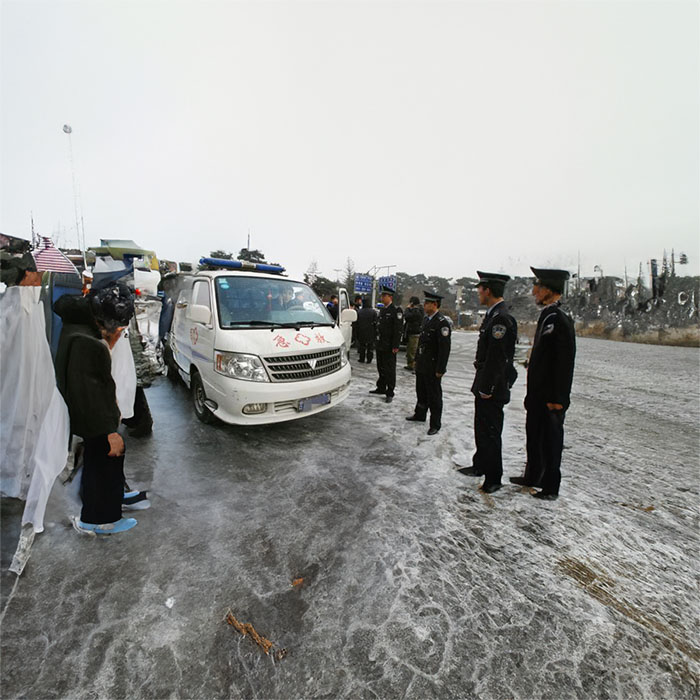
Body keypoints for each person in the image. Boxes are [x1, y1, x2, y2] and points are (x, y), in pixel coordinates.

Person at [54, 282, 139, 534]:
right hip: (96, 419)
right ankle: (100, 519)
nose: (119, 333)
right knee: (105, 461)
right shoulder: (90, 345)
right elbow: (92, 393)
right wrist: (109, 431)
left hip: (91, 415)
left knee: (100, 462)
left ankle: (106, 506)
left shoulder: (77, 325)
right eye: (119, 328)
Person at [510, 267, 575, 500]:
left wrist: (558, 399)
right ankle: (533, 476)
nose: (534, 292)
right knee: (535, 437)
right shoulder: (547, 315)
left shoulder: (559, 319)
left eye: (537, 287)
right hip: (538, 394)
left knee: (550, 442)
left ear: (548, 290)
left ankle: (550, 487)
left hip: (550, 397)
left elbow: (564, 362)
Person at [457, 272, 517, 493]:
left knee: (491, 431)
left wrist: (488, 387)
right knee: (481, 428)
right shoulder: (493, 315)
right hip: (485, 383)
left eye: (480, 289)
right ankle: (480, 465)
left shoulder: (500, 318)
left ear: (488, 290)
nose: (478, 293)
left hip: (492, 387)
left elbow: (497, 358)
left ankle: (493, 477)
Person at [405, 290, 451, 435]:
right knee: (421, 392)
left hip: (433, 366)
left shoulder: (441, 323)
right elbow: (421, 344)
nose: (424, 305)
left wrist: (441, 369)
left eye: (427, 303)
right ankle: (420, 414)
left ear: (435, 304)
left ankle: (435, 424)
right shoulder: (426, 320)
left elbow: (444, 349)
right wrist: (416, 362)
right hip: (422, 364)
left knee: (434, 396)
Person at [369, 286, 403, 403]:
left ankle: (390, 392)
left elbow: (398, 329)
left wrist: (395, 345)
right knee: (381, 367)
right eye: (382, 296)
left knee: (389, 369)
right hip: (380, 344)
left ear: (390, 297)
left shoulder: (396, 311)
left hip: (389, 345)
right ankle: (381, 387)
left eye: (385, 296)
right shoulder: (383, 310)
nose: (382, 298)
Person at [403, 296, 424, 371]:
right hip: (411, 332)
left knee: (413, 350)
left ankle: (413, 365)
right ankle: (410, 364)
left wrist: (408, 309)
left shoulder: (417, 310)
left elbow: (407, 316)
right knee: (410, 349)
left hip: (414, 332)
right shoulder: (418, 310)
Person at [355, 297, 378, 363]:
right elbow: (376, 322)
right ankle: (369, 359)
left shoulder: (359, 312)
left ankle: (361, 358)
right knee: (370, 346)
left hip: (361, 331)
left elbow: (357, 323)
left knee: (362, 346)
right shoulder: (373, 312)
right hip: (371, 332)